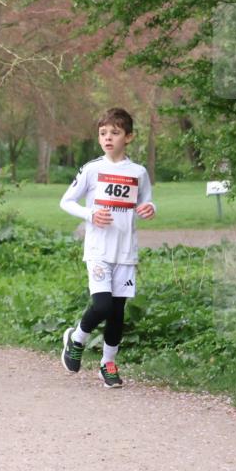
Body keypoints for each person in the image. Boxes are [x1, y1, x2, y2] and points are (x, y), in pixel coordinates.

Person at [59, 107, 156, 388]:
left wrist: (150, 208)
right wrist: (91, 214)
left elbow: (146, 202)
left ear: (129, 137)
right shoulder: (92, 169)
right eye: (103, 133)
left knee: (117, 312)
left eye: (115, 132)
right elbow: (66, 201)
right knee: (101, 305)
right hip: (98, 250)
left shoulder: (138, 172)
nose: (108, 138)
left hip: (125, 252)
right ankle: (77, 339)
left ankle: (108, 363)